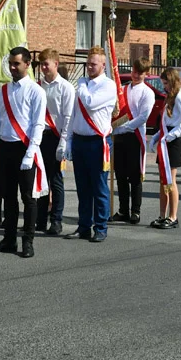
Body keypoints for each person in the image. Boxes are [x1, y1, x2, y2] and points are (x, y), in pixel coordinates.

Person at [0, 47, 47, 258]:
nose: (12, 67)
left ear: (28, 64)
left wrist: (30, 153)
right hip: (5, 147)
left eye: (16, 64)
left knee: (28, 198)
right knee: (8, 197)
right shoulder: (4, 90)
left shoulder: (36, 91)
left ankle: (28, 241)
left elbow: (38, 124)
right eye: (10, 63)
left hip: (24, 148)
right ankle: (9, 239)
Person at [64, 46, 116, 242]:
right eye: (88, 64)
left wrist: (82, 84)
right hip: (80, 140)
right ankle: (84, 226)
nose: (89, 68)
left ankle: (100, 227)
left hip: (97, 142)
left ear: (103, 65)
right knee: (83, 187)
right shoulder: (83, 85)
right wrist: (68, 140)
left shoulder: (107, 86)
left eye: (93, 64)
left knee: (99, 186)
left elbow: (90, 103)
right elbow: (75, 113)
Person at [148, 68, 181, 228]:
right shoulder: (170, 96)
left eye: (166, 83)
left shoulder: (180, 97)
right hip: (164, 140)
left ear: (173, 81)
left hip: (173, 142)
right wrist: (156, 137)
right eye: (163, 84)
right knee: (163, 180)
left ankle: (173, 216)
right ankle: (162, 215)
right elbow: (166, 120)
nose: (164, 87)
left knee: (170, 180)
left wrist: (172, 135)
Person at [111, 57, 155, 224]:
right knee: (120, 175)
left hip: (135, 136)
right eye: (134, 71)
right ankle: (123, 210)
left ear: (146, 74)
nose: (136, 75)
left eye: (140, 73)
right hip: (120, 137)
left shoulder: (147, 92)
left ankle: (135, 211)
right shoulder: (122, 89)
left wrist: (124, 127)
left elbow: (143, 117)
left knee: (134, 176)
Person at [36, 48, 74, 236]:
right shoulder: (38, 85)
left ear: (56, 64)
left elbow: (68, 117)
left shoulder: (65, 87)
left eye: (46, 64)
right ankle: (40, 219)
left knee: (56, 181)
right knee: (40, 180)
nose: (43, 68)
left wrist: (64, 142)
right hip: (40, 136)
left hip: (56, 136)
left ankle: (56, 220)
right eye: (41, 64)